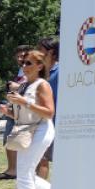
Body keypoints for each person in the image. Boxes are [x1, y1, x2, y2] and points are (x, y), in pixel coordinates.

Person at [0, 51, 64, 189]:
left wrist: (24, 102)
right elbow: (26, 114)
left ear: (40, 66)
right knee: (26, 174)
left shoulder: (43, 85)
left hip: (42, 130)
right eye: (23, 63)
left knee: (24, 174)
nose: (24, 66)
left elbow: (49, 112)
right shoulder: (27, 85)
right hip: (29, 129)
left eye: (28, 63)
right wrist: (8, 112)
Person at [0, 45, 32, 181]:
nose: (20, 59)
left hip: (25, 112)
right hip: (13, 109)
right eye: (17, 56)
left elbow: (35, 87)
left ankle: (18, 171)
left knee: (22, 141)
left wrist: (18, 87)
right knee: (9, 139)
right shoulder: (20, 71)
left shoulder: (34, 69)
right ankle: (12, 170)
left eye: (22, 56)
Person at [35, 38, 59, 180]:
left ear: (51, 52)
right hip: (39, 120)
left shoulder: (60, 71)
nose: (38, 51)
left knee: (43, 157)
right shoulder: (41, 72)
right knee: (39, 157)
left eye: (40, 49)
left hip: (54, 121)